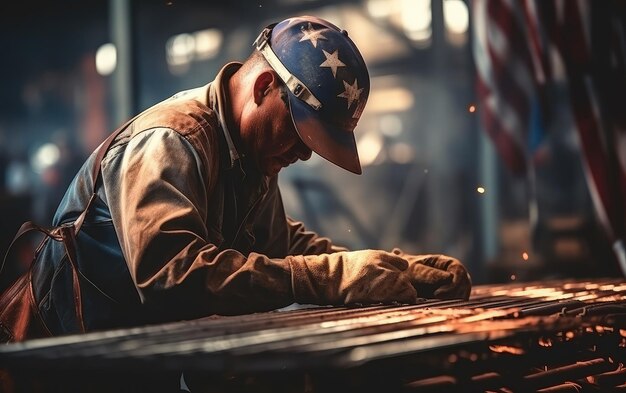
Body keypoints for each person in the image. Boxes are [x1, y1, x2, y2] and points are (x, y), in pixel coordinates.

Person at [21, 15, 471, 337]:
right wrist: (331, 277)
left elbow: (283, 247)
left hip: (123, 356)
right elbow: (169, 275)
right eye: (302, 134)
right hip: (55, 359)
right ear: (262, 89)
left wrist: (391, 269)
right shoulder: (171, 140)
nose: (305, 154)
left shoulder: (250, 153)